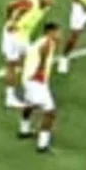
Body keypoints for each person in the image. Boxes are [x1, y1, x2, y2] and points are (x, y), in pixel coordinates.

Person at [1, 0, 55, 110]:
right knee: (11, 64)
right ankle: (10, 98)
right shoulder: (31, 3)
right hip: (13, 36)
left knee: (30, 60)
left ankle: (29, 90)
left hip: (23, 37)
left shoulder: (46, 7)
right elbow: (11, 5)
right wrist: (10, 21)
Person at [17, 21, 61, 153]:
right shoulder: (47, 43)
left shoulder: (40, 41)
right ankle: (42, 144)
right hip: (37, 81)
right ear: (50, 32)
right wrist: (40, 73)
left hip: (27, 78)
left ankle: (23, 130)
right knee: (50, 112)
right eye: (57, 32)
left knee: (30, 104)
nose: (60, 34)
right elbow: (43, 56)